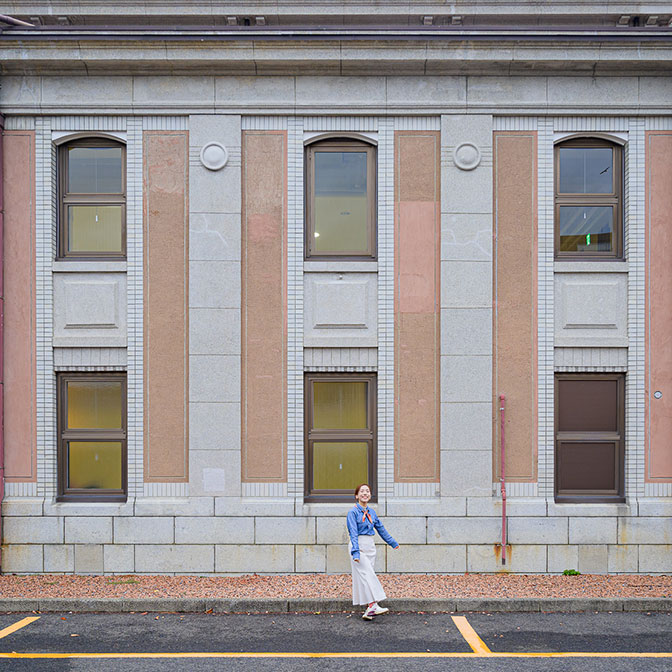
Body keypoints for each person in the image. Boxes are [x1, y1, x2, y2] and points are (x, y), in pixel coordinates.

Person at [346, 483, 399, 620]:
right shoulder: (353, 512)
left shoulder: (372, 513)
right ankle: (374, 604)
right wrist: (355, 552)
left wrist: (392, 542)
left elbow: (381, 529)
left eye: (367, 491)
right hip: (358, 545)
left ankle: (369, 609)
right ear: (357, 495)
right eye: (362, 491)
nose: (365, 493)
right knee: (367, 575)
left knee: (364, 577)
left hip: (370, 545)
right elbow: (353, 532)